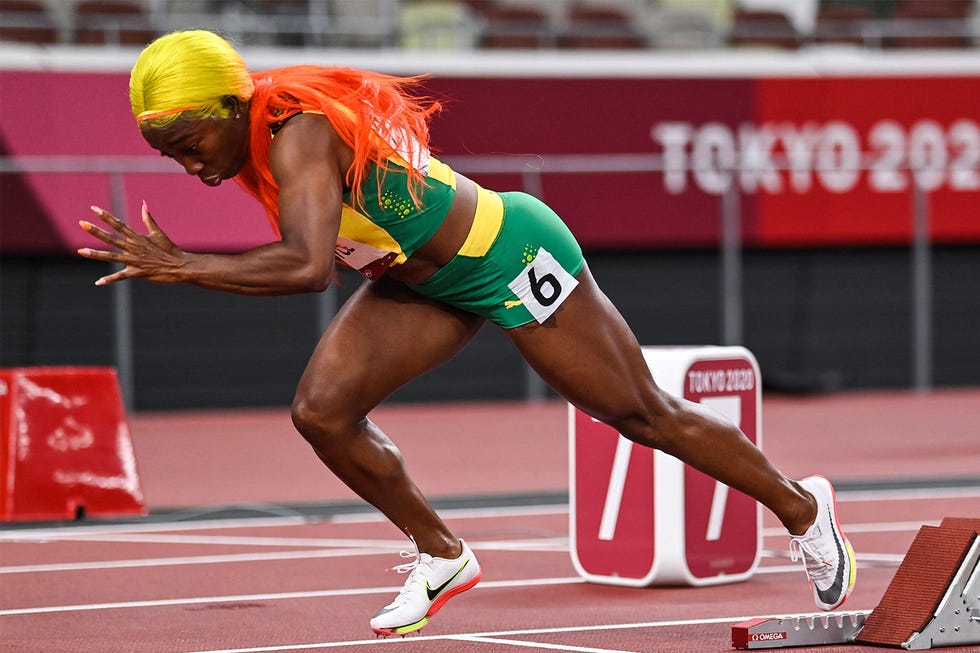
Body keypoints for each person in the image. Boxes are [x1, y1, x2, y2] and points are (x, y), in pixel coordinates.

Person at [78, 30, 856, 636]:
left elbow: (306, 266)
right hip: (417, 282)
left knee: (640, 413)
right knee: (322, 412)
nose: (186, 166)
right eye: (167, 155)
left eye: (187, 145)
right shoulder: (250, 136)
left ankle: (802, 509)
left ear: (228, 105)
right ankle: (443, 555)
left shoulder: (295, 132)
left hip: (507, 253)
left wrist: (185, 267)